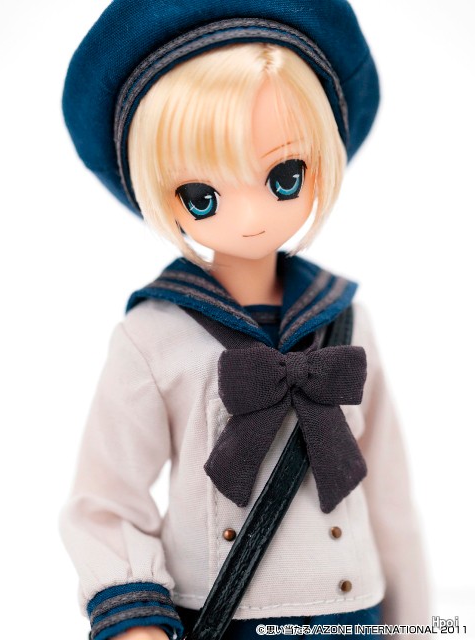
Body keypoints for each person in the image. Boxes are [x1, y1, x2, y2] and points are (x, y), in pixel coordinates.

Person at [60, 2, 430, 639]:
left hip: (355, 615)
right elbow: (106, 499)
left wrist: (415, 621)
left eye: (285, 177)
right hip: (226, 618)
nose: (252, 217)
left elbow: (389, 495)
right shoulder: (153, 338)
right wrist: (134, 617)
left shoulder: (347, 324)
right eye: (202, 196)